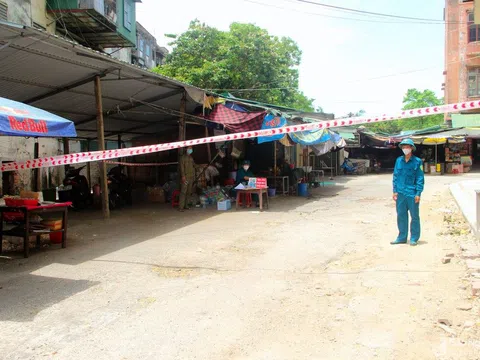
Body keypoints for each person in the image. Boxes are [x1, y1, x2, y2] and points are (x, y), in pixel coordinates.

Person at [391, 139, 425, 246]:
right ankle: (401, 237)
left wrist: (418, 193)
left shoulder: (417, 161)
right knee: (401, 215)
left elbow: (420, 178)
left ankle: (414, 238)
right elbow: (395, 176)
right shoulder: (398, 160)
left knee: (414, 216)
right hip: (400, 193)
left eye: (407, 147)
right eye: (404, 147)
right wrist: (395, 191)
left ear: (411, 148)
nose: (405, 149)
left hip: (412, 193)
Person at [179, 146, 197, 212]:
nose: (190, 150)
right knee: (183, 192)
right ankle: (181, 207)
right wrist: (183, 176)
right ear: (186, 149)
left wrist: (199, 167)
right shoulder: (182, 158)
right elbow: (182, 168)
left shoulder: (191, 157)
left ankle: (186, 205)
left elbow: (194, 165)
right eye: (189, 148)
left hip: (191, 177)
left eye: (191, 148)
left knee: (189, 192)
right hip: (185, 177)